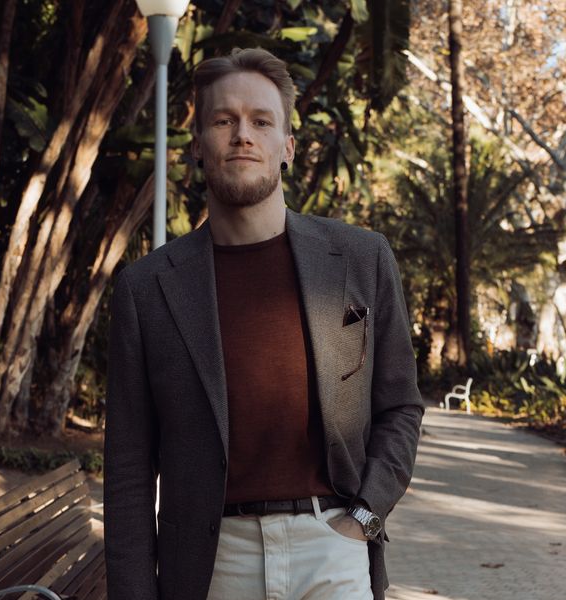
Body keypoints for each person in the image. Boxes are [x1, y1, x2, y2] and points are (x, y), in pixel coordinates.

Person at [104, 47, 424, 600]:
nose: (242, 135)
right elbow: (130, 467)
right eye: (223, 120)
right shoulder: (146, 289)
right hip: (210, 566)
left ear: (287, 148)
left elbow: (400, 408)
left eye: (260, 121)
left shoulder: (361, 259)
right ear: (199, 145)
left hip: (335, 548)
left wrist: (363, 525)